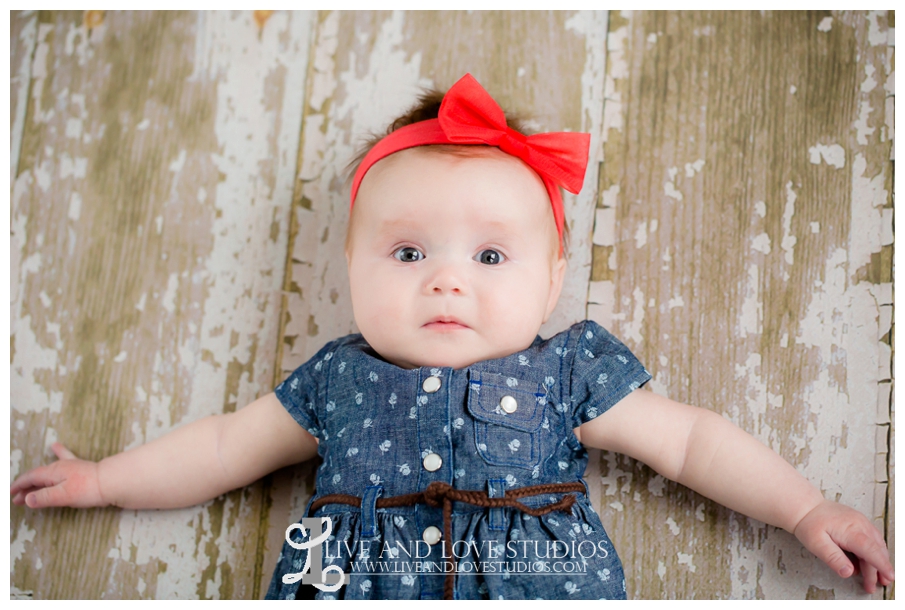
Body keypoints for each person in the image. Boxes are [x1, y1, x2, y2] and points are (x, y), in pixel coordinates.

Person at [10, 74, 894, 600]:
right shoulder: (335, 381)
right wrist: (101, 480)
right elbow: (216, 448)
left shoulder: (566, 369)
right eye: (405, 251)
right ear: (349, 272)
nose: (445, 278)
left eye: (489, 254)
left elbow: (693, 441)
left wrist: (805, 510)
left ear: (549, 281)